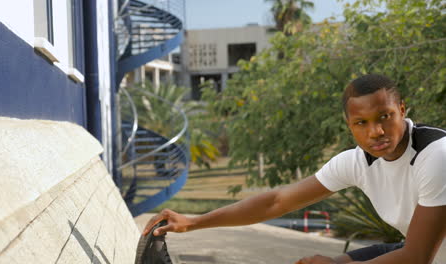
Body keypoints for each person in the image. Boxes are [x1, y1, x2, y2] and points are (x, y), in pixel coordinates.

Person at [142, 74, 446, 263]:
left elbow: (416, 257)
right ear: (349, 124)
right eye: (361, 123)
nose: (376, 132)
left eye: (385, 116)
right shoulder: (357, 161)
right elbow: (277, 201)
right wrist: (194, 222)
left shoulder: (436, 156)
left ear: (402, 110)